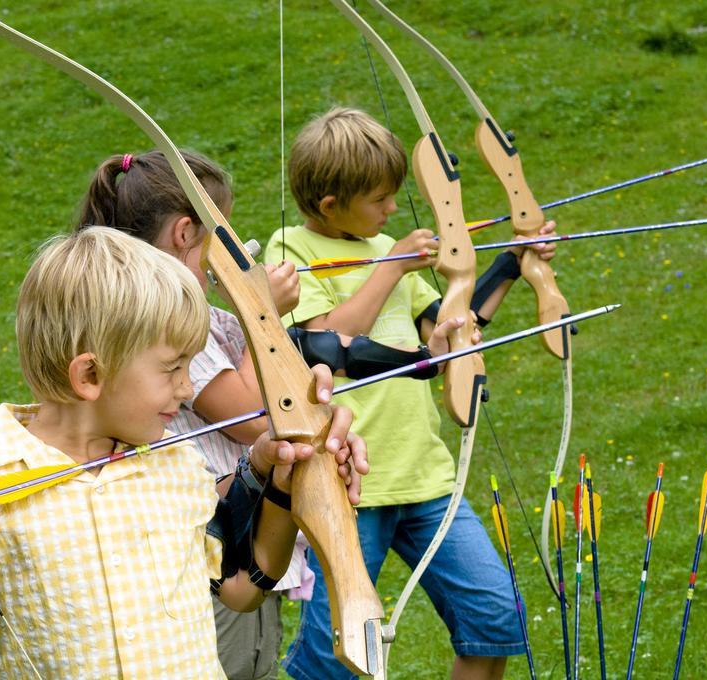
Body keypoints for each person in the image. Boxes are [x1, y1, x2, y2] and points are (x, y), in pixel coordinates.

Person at [0, 227, 369, 678]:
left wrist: (285, 478)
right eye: (172, 369)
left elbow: (240, 589)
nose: (187, 389)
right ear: (89, 375)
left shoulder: (181, 469)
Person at [77, 150, 465, 679]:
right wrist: (265, 314)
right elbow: (250, 416)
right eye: (225, 232)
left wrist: (422, 361)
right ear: (187, 233)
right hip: (203, 553)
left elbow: (321, 350)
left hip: (248, 542)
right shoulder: (170, 329)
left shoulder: (211, 321)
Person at [267, 107, 558, 680]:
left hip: (426, 476)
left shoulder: (382, 245)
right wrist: (392, 264)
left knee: (494, 619)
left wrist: (512, 265)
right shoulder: (290, 250)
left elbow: (451, 323)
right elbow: (330, 342)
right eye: (379, 199)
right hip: (347, 486)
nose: (392, 210)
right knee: (337, 658)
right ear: (330, 205)